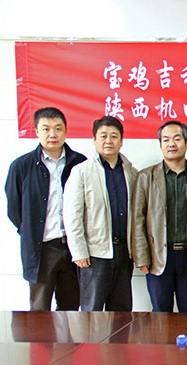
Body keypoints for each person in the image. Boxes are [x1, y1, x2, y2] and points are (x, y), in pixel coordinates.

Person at [5, 107, 86, 311]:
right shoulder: (21, 166)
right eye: (46, 129)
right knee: (39, 310)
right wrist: (30, 232)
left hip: (73, 247)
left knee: (71, 308)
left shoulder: (80, 164)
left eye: (58, 128)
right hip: (41, 249)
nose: (52, 134)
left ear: (65, 131)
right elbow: (14, 209)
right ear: (36, 131)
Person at [63, 116, 137, 311]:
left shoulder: (131, 172)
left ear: (121, 141)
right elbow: (72, 216)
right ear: (94, 140)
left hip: (124, 253)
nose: (108, 141)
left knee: (121, 313)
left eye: (114, 136)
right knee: (92, 312)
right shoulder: (81, 172)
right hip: (94, 255)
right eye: (103, 136)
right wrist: (79, 251)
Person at [133, 121, 187, 313]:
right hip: (158, 257)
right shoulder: (146, 177)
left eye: (177, 139)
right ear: (160, 144)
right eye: (166, 140)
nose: (171, 144)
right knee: (161, 314)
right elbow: (137, 219)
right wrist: (142, 257)